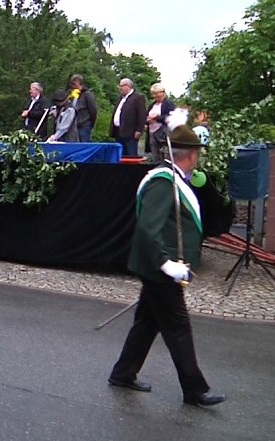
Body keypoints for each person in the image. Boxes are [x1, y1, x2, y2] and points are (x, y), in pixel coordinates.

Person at [108, 120, 225, 408]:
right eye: (198, 152)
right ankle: (195, 389)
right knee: (178, 327)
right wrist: (166, 263)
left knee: (147, 323)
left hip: (160, 268)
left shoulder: (175, 179)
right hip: (160, 269)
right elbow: (149, 229)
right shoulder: (162, 182)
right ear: (191, 154)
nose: (199, 157)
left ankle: (123, 373)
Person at [109, 78, 147, 157]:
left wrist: (139, 130)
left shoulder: (138, 97)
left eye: (121, 86)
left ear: (128, 86)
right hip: (118, 131)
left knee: (131, 154)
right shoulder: (120, 98)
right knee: (120, 155)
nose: (120, 88)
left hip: (130, 132)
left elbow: (141, 115)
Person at [145, 83, 176, 162]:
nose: (154, 96)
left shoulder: (168, 104)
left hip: (163, 134)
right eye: (153, 94)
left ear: (162, 93)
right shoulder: (152, 105)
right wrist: (147, 120)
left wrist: (157, 118)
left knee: (164, 156)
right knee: (155, 156)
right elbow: (146, 116)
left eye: (156, 93)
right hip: (152, 133)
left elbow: (171, 117)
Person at [68, 74, 98, 142]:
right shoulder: (73, 94)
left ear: (78, 82)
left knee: (84, 143)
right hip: (74, 126)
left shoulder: (87, 94)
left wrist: (91, 124)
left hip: (84, 125)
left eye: (74, 84)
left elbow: (93, 110)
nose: (72, 86)